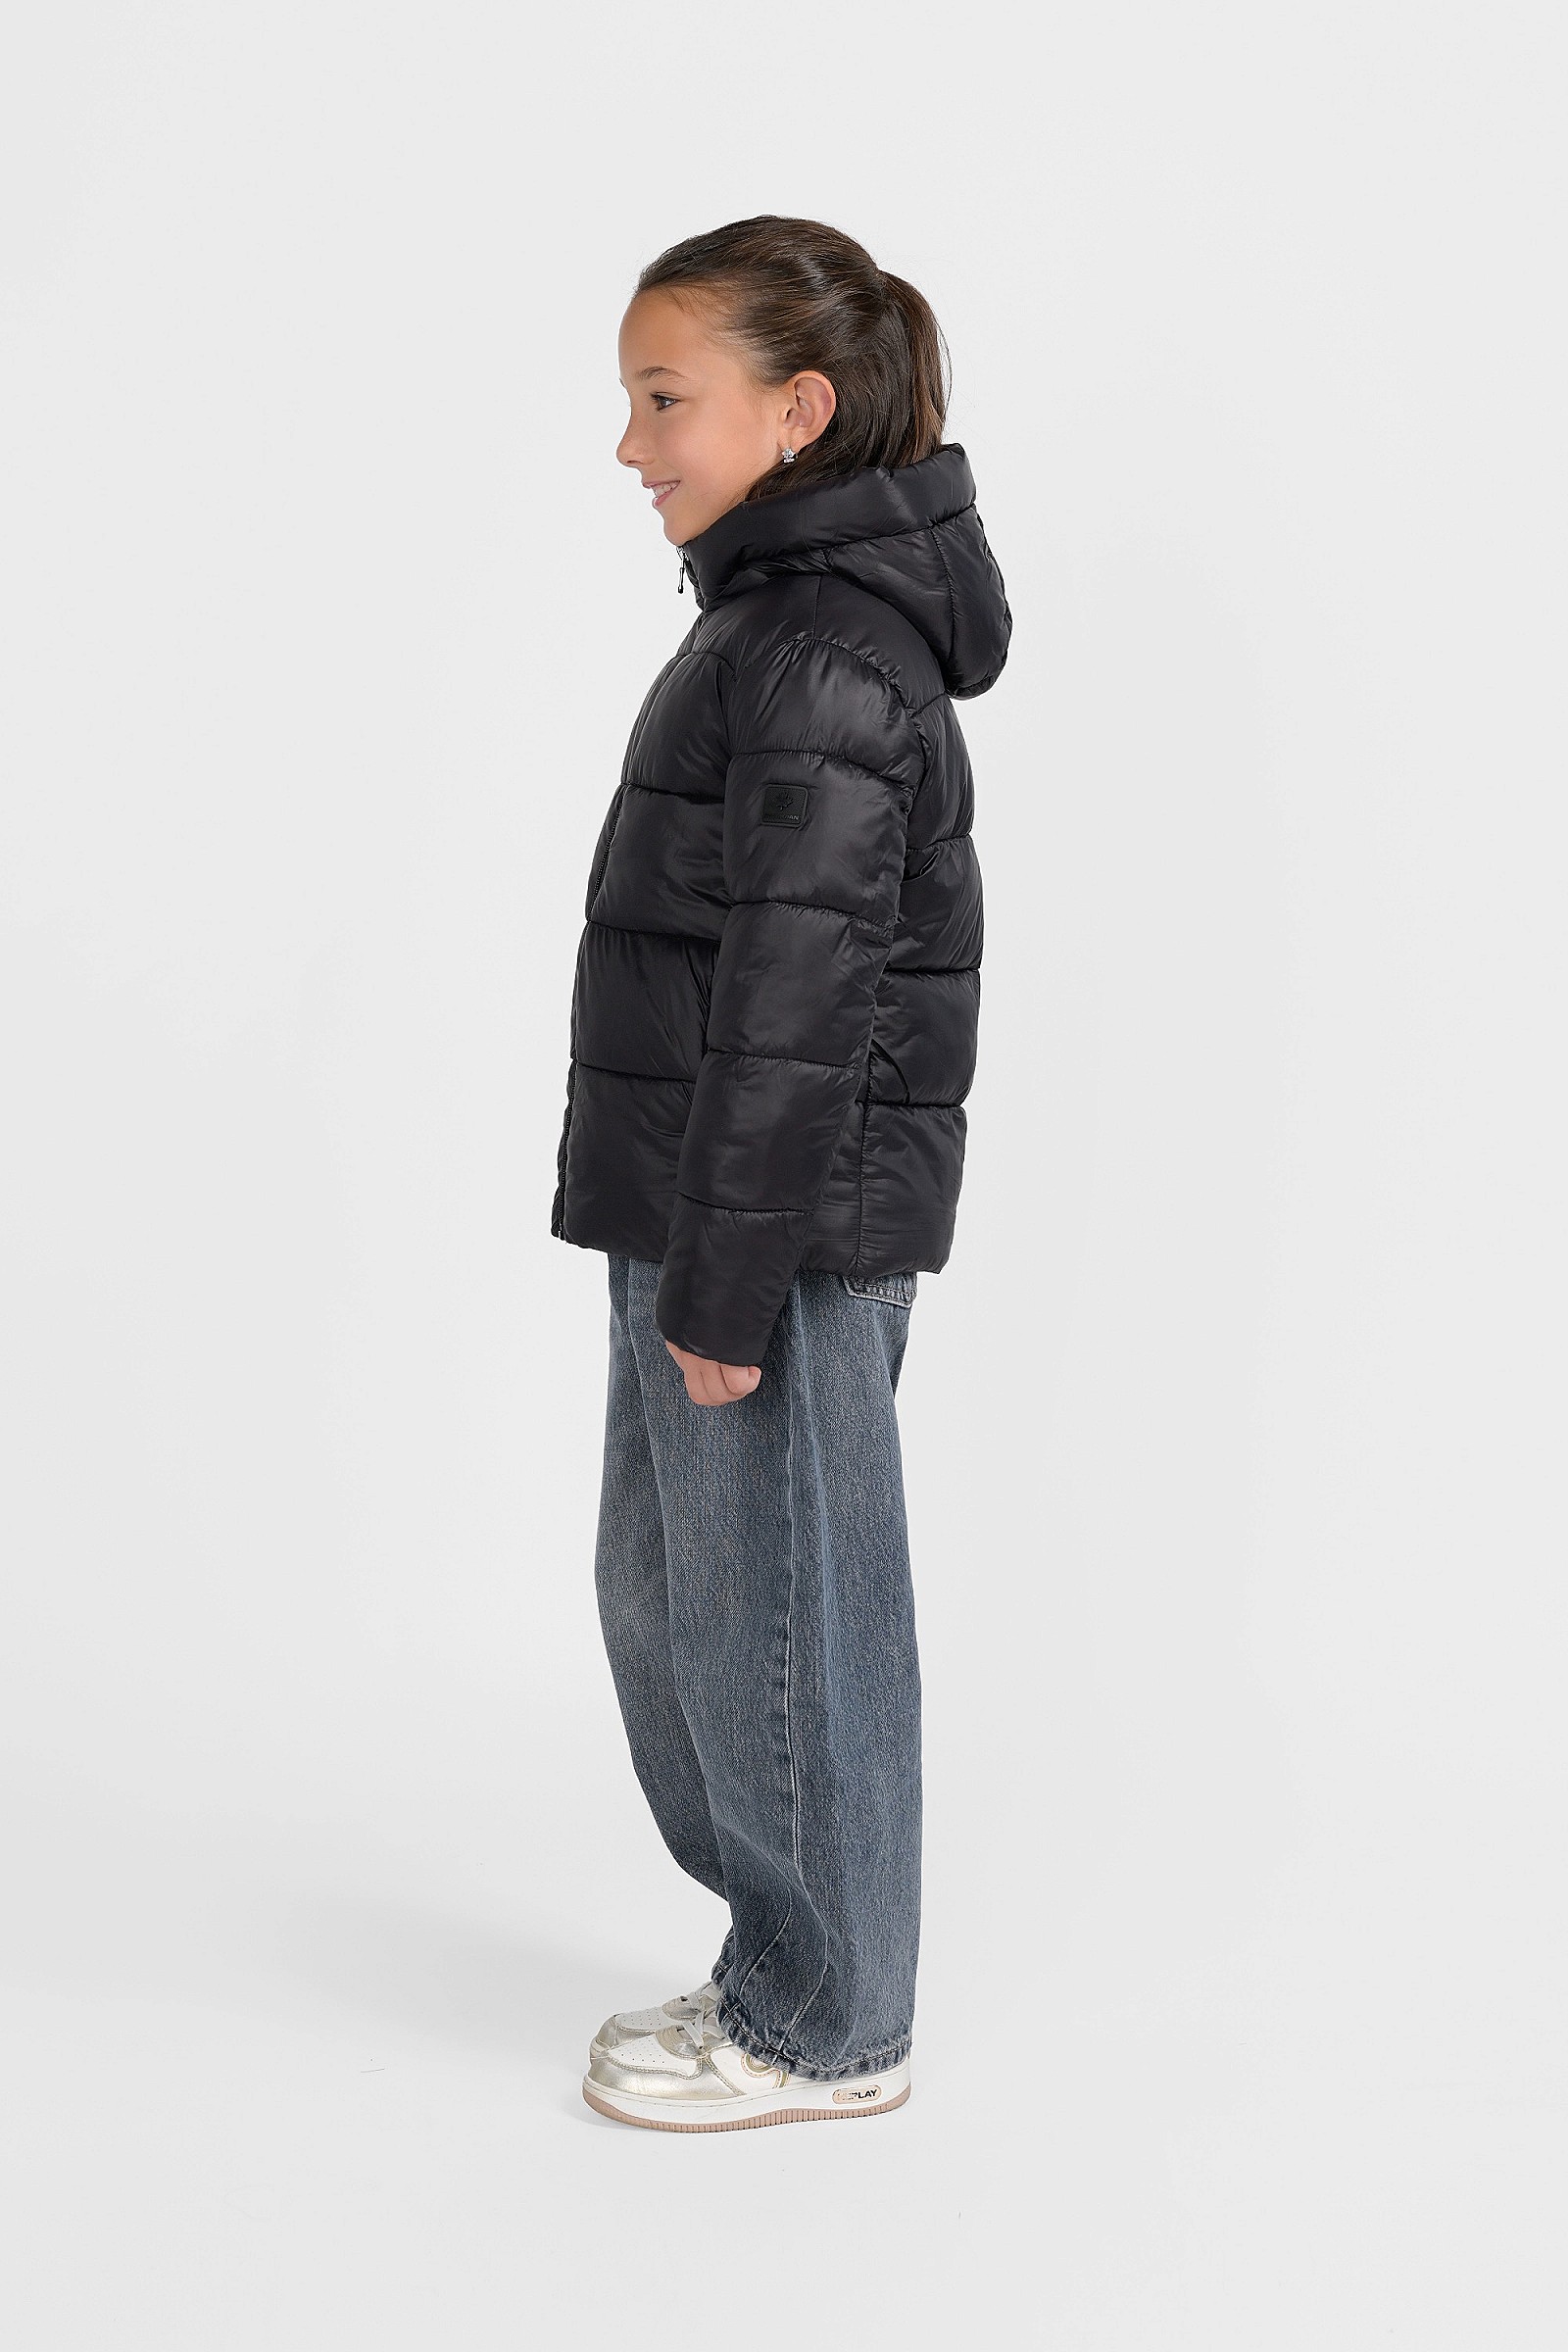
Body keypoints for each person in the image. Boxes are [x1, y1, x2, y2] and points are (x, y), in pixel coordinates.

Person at [550, 215, 1012, 2132]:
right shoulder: (777, 625)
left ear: (797, 411)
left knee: (782, 1630)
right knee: (687, 1604)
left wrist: (726, 1284)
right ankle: (784, 1959)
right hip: (714, 1212)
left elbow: (797, 1004)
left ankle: (829, 2027)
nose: (630, 442)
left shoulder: (818, 652)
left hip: (774, 1237)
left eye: (665, 398)